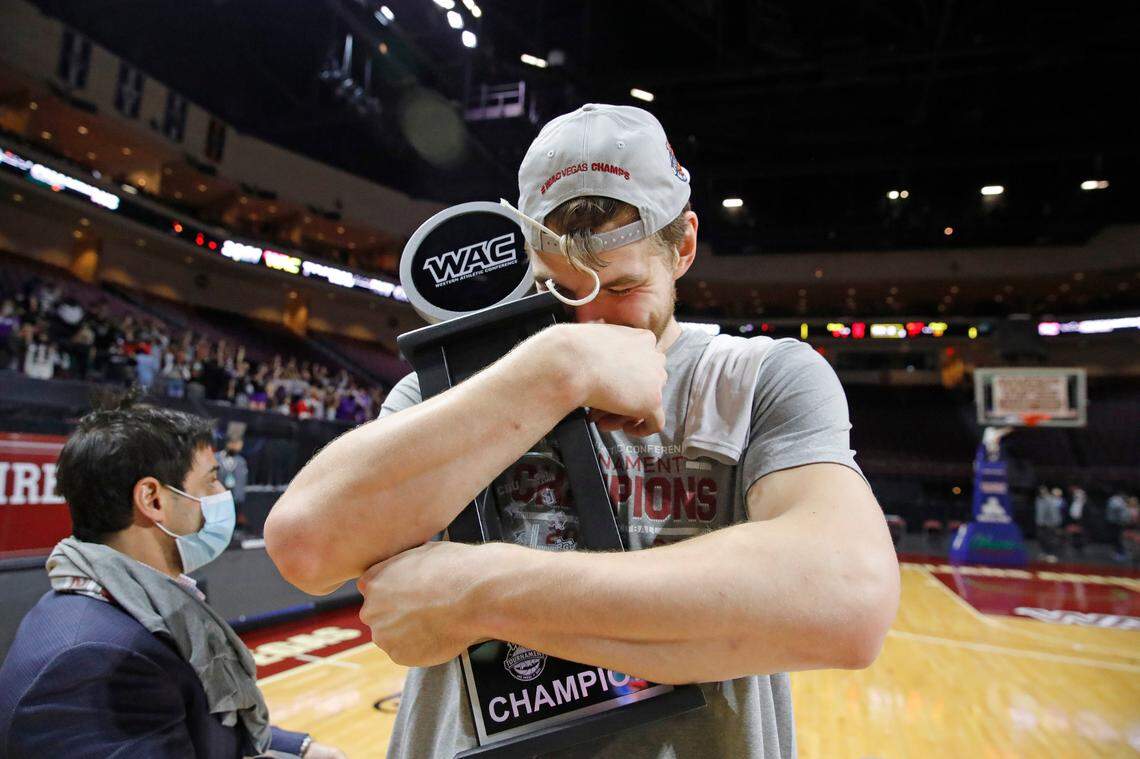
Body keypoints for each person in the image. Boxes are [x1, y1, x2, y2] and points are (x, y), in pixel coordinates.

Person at [265, 103, 899, 758]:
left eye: (621, 287)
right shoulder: (459, 387)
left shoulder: (759, 377)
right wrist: (559, 369)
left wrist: (474, 592)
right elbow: (306, 546)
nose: (589, 320)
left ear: (682, 246)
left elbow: (847, 601)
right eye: (558, 291)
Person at [0, 393, 345, 758]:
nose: (223, 494)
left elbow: (196, 725)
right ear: (153, 499)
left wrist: (301, 749)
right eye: (211, 481)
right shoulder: (95, 660)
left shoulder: (130, 610)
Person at [1035, 485, 1063, 562]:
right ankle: (1045, 553)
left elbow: (1054, 513)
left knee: (1051, 540)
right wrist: (1038, 522)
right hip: (1040, 524)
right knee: (1042, 539)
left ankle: (1052, 554)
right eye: (1040, 491)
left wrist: (1054, 523)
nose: (1042, 492)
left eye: (1044, 491)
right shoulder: (1038, 500)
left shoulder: (1051, 500)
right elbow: (1039, 512)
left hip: (1050, 524)